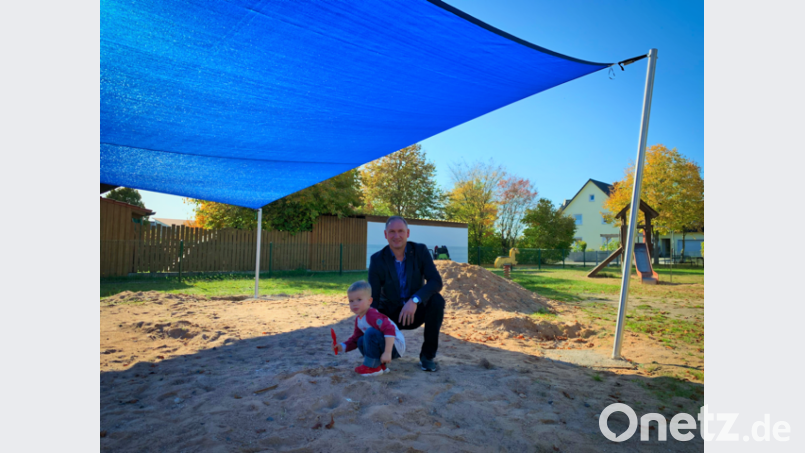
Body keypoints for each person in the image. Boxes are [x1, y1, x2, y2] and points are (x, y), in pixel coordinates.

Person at [368, 216, 445, 372]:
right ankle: (384, 352)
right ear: (385, 235)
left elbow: (436, 282)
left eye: (401, 231)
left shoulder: (420, 251)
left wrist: (415, 300)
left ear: (408, 233)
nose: (397, 236)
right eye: (392, 232)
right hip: (391, 313)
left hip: (415, 311)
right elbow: (373, 298)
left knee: (437, 300)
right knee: (373, 314)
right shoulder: (377, 260)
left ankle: (427, 356)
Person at [335, 281, 406, 376]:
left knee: (370, 333)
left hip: (395, 345)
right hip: (385, 344)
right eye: (351, 301)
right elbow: (355, 339)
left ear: (369, 301)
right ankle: (379, 365)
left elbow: (389, 329)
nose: (355, 304)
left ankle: (372, 367)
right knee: (360, 340)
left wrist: (387, 352)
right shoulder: (359, 319)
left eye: (359, 299)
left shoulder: (372, 315)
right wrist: (342, 346)